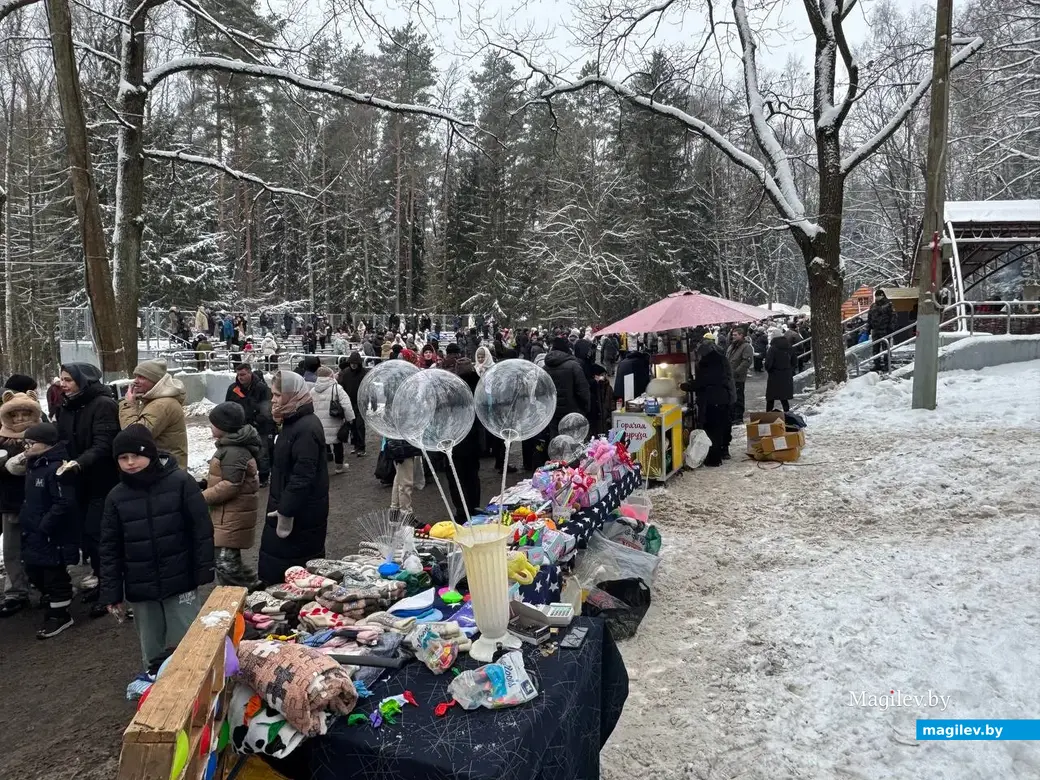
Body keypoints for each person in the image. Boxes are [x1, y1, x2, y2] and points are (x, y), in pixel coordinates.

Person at [101, 425, 214, 667]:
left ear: (150, 454)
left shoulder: (181, 482)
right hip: (141, 587)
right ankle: (155, 685)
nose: (131, 463)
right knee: (152, 647)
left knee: (188, 641)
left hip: (180, 578)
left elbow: (201, 528)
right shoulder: (116, 497)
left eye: (136, 455)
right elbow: (110, 547)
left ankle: (195, 689)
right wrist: (111, 591)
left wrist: (204, 566)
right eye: (123, 458)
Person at [54, 363, 121, 615]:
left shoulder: (103, 404)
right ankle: (101, 580)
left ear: (84, 380)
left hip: (101, 480)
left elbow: (104, 443)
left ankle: (110, 590)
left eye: (68, 379)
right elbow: (62, 438)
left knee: (99, 536)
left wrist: (79, 463)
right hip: (76, 480)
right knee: (86, 536)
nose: (63, 384)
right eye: (62, 379)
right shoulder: (68, 405)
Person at [260, 371, 329, 586]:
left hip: (299, 515)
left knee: (295, 577)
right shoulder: (292, 420)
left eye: (278, 395)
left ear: (293, 395)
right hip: (289, 508)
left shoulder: (306, 427)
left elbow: (303, 476)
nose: (273, 400)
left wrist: (286, 511)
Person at [18, 422, 81, 638]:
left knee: (52, 572)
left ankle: (60, 613)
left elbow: (64, 503)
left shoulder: (57, 469)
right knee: (33, 569)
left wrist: (45, 524)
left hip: (52, 534)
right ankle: (56, 598)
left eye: (30, 443)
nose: (25, 447)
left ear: (46, 444)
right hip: (33, 532)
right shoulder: (34, 465)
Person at [202, 403, 261, 588]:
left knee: (226, 564)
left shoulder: (234, 451)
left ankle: (247, 594)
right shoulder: (229, 447)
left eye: (213, 423)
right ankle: (255, 586)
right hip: (228, 516)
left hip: (231, 517)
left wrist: (201, 497)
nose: (211, 427)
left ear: (224, 426)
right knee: (228, 563)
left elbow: (230, 485)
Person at [0, 390, 43, 616]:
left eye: (25, 414)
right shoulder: (0, 436)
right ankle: (16, 591)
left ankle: (49, 586)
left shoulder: (43, 434)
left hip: (38, 499)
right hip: (10, 500)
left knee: (41, 546)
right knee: (11, 550)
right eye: (14, 415)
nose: (19, 419)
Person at [119, 360, 188, 468]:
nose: (135, 381)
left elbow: (134, 436)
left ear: (156, 381)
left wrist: (128, 404)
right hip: (162, 468)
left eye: (142, 377)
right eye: (136, 376)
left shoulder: (162, 404)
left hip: (164, 471)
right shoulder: (153, 401)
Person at [225, 364, 275, 485]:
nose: (240, 377)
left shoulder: (262, 389)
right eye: (238, 375)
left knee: (262, 452)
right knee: (241, 452)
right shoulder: (233, 388)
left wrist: (257, 420)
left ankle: (263, 477)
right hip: (240, 426)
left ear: (250, 373)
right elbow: (228, 406)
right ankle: (243, 476)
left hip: (260, 426)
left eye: (242, 374)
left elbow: (267, 408)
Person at [447, 359, 482, 522]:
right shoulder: (480, 386)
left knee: (457, 478)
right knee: (472, 475)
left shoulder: (454, 389)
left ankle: (462, 511)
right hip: (473, 440)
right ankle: (474, 506)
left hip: (455, 441)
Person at [693, 344, 735, 466]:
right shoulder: (721, 360)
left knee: (712, 429)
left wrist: (686, 386)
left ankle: (713, 459)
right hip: (724, 398)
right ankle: (723, 451)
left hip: (712, 400)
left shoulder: (707, 363)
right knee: (722, 426)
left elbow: (703, 382)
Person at [310, 366, 353, 475]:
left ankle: (323, 468)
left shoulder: (312, 391)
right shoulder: (337, 388)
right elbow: (346, 405)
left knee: (323, 445)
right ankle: (339, 466)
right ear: (330, 375)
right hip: (335, 421)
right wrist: (350, 419)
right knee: (338, 444)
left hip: (318, 423)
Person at [543, 337, 591, 430]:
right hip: (572, 412)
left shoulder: (545, 368)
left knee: (556, 441)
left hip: (553, 413)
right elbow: (583, 390)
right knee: (573, 440)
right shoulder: (574, 366)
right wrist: (586, 408)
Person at [337, 352, 368, 457]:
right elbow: (341, 387)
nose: (353, 365)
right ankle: (356, 445)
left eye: (355, 363)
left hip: (360, 403)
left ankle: (362, 446)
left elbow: (368, 388)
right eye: (352, 363)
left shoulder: (364, 373)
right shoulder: (345, 373)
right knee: (352, 425)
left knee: (360, 425)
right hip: (349, 403)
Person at [726, 328, 755, 423]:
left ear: (741, 335)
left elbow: (746, 361)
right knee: (731, 398)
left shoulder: (746, 346)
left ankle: (738, 418)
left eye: (735, 335)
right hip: (729, 376)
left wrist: (736, 372)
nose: (733, 337)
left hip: (738, 377)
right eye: (732, 335)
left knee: (738, 398)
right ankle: (732, 416)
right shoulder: (732, 346)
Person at [765, 333, 795, 413]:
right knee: (784, 398)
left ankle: (768, 415)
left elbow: (768, 363)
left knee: (771, 398)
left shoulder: (773, 348)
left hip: (774, 375)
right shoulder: (790, 347)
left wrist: (769, 370)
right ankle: (787, 414)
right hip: (786, 375)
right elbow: (794, 361)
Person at [868, 288, 895, 372]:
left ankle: (887, 364)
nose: (877, 297)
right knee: (875, 348)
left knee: (886, 348)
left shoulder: (888, 304)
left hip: (885, 330)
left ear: (882, 295)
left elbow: (893, 317)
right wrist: (869, 328)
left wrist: (891, 328)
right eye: (876, 296)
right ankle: (877, 364)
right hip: (875, 330)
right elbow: (869, 317)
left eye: (878, 296)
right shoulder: (873, 306)